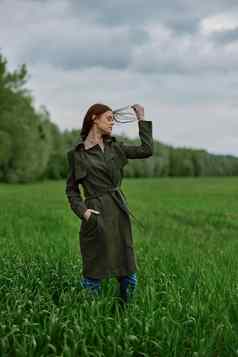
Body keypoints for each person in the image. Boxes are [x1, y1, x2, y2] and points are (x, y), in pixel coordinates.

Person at [65, 103, 153, 307]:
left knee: (127, 271)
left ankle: (125, 315)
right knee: (93, 274)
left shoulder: (116, 148)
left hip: (118, 212)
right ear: (94, 118)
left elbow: (146, 150)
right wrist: (84, 213)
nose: (112, 123)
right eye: (109, 118)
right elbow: (71, 190)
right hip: (96, 216)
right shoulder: (77, 154)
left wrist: (141, 118)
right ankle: (88, 318)